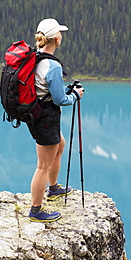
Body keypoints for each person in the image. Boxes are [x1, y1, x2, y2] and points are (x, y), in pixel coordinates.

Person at [27, 18, 84, 222]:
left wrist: (67, 91)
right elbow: (59, 99)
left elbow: (47, 89)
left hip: (37, 114)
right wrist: (75, 95)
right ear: (57, 38)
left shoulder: (34, 58)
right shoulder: (52, 65)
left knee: (60, 145)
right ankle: (36, 210)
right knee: (43, 165)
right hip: (46, 118)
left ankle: (53, 188)